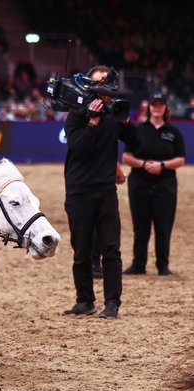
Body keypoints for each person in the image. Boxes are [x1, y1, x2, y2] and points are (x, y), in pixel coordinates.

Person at [62, 65, 139, 319]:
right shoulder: (76, 114)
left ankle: (112, 302)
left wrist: (126, 123)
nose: (101, 90)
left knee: (111, 249)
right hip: (78, 190)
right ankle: (84, 301)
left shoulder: (113, 115)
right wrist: (93, 123)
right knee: (81, 250)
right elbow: (79, 148)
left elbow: (137, 143)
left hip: (105, 190)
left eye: (105, 85)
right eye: (96, 83)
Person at [121, 92, 186, 276]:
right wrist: (144, 164)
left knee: (163, 225)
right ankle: (138, 264)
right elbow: (126, 156)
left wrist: (162, 165)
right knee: (140, 226)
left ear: (165, 108)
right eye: (154, 104)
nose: (157, 107)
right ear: (149, 107)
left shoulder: (173, 132)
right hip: (140, 183)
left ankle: (162, 265)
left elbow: (180, 159)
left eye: (160, 104)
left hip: (165, 184)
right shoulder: (138, 129)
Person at [91, 162, 126, 278]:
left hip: (80, 181)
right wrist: (117, 169)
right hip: (101, 181)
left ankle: (93, 263)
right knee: (103, 222)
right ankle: (97, 263)